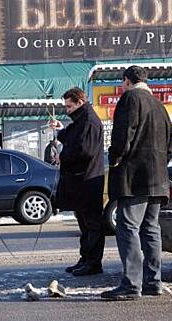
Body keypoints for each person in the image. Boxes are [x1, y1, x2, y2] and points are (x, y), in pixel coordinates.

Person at [101, 66, 172, 301]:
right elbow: (171, 143)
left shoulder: (130, 98)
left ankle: (132, 284)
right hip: (158, 178)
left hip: (134, 177)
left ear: (126, 81)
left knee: (128, 227)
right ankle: (153, 282)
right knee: (151, 228)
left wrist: (114, 159)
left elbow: (123, 135)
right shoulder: (159, 105)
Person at [49, 87, 105, 276]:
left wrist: (63, 158)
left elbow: (84, 150)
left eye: (69, 106)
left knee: (92, 224)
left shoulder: (89, 121)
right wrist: (60, 129)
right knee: (84, 224)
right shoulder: (81, 120)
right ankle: (86, 258)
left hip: (87, 180)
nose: (67, 110)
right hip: (80, 180)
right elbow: (73, 137)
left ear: (80, 102)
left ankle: (93, 262)